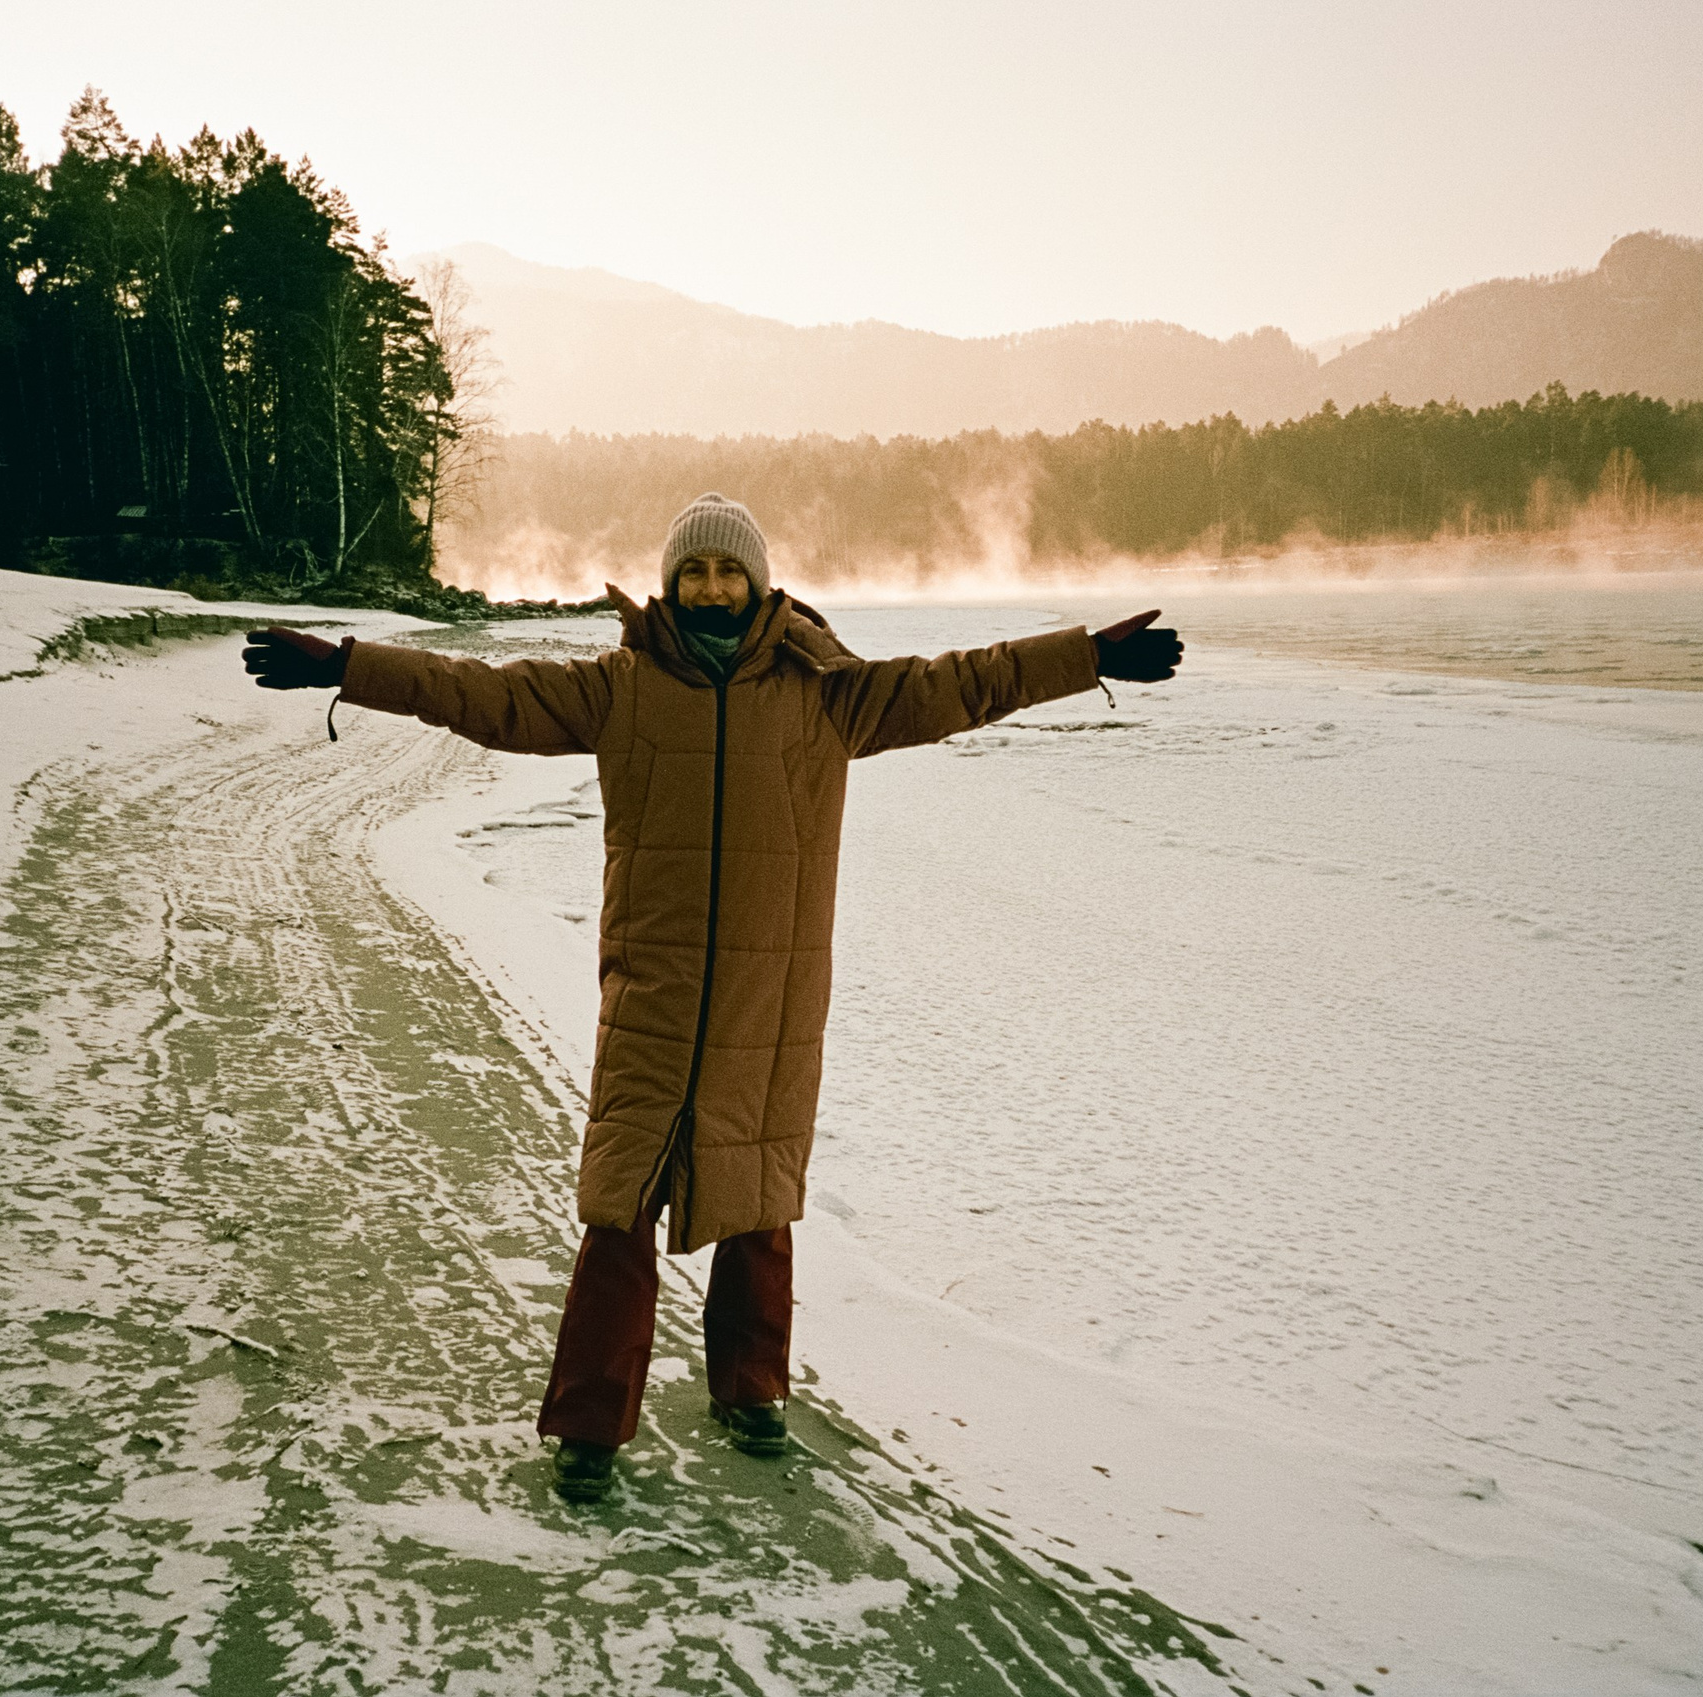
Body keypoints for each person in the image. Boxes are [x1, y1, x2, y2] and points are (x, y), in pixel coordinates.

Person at [242, 492, 1181, 1502]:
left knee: (759, 1193)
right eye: (694, 571)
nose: (712, 587)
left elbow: (964, 682)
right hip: (652, 990)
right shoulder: (621, 687)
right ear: (670, 583)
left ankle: (751, 1388)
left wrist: (1085, 656)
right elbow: (484, 695)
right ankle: (589, 1425)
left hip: (768, 995)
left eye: (729, 570)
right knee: (619, 1204)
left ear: (760, 582)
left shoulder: (830, 693)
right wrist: (350, 666)